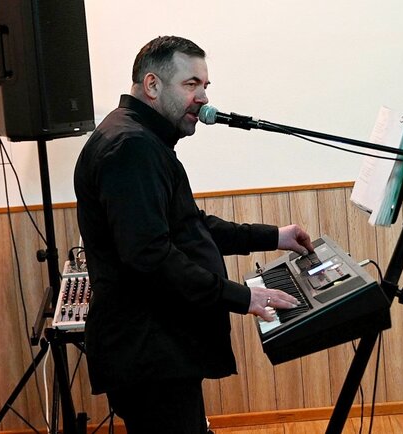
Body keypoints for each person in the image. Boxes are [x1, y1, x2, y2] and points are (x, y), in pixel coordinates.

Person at [74, 35, 314, 433]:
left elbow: (189, 228)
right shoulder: (131, 147)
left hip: (160, 349)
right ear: (152, 85)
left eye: (205, 85)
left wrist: (274, 236)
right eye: (191, 84)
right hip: (150, 352)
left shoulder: (142, 139)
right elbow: (150, 256)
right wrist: (243, 297)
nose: (203, 98)